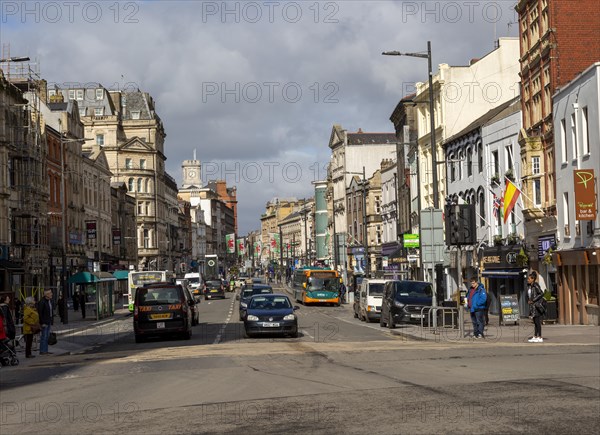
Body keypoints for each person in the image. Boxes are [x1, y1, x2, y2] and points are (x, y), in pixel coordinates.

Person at [527, 271, 545, 343]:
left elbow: (541, 293)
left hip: (537, 306)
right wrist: (529, 300)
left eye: (529, 279)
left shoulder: (535, 285)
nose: (528, 280)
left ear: (533, 279)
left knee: (537, 322)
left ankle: (539, 337)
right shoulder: (530, 286)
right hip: (533, 306)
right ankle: (535, 336)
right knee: (535, 322)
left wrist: (533, 300)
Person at [37, 289, 54, 355]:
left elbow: (50, 311)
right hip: (44, 322)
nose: (51, 294)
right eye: (50, 293)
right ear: (46, 295)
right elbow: (40, 313)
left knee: (47, 336)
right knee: (44, 336)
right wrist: (42, 322)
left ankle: (45, 350)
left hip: (48, 321)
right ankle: (42, 351)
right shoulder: (42, 302)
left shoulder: (49, 301)